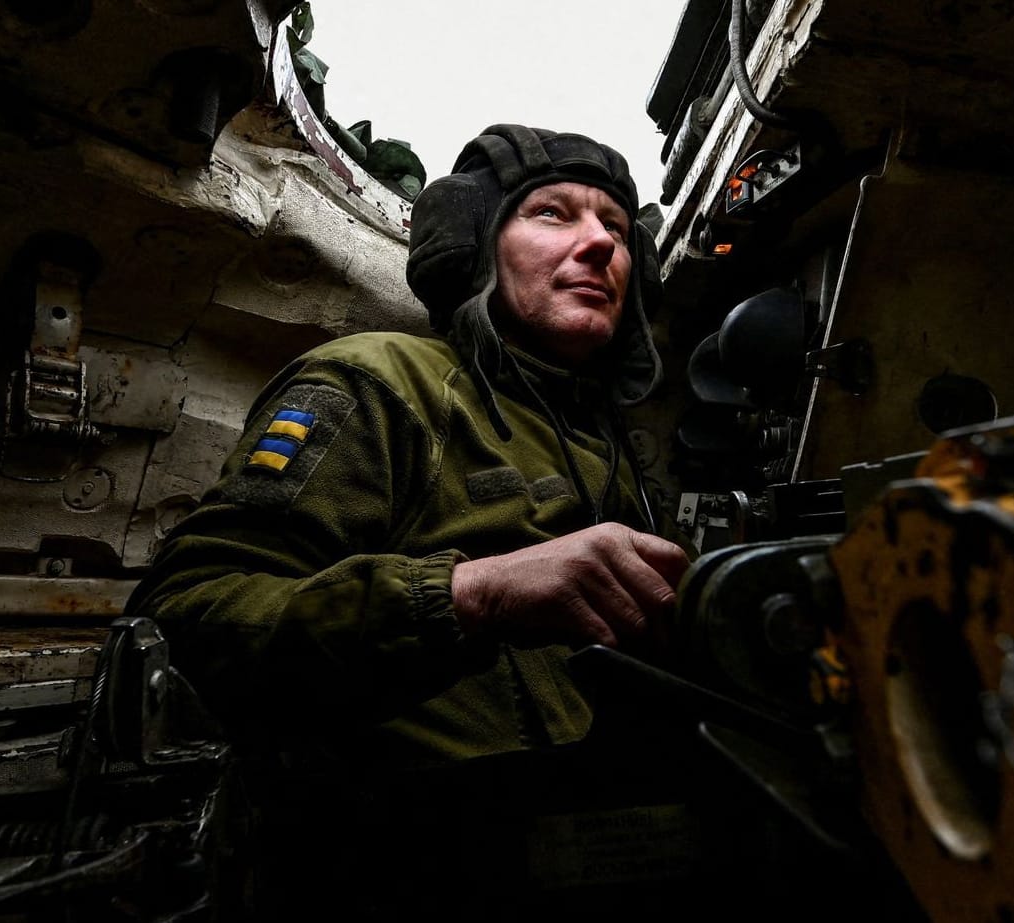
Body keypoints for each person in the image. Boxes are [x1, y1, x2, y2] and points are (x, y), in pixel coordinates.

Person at [123, 124, 711, 918]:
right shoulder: (382, 381)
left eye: (613, 225)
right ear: (473, 245)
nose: (600, 244)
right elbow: (189, 617)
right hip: (391, 869)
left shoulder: (610, 445)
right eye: (553, 213)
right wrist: (475, 592)